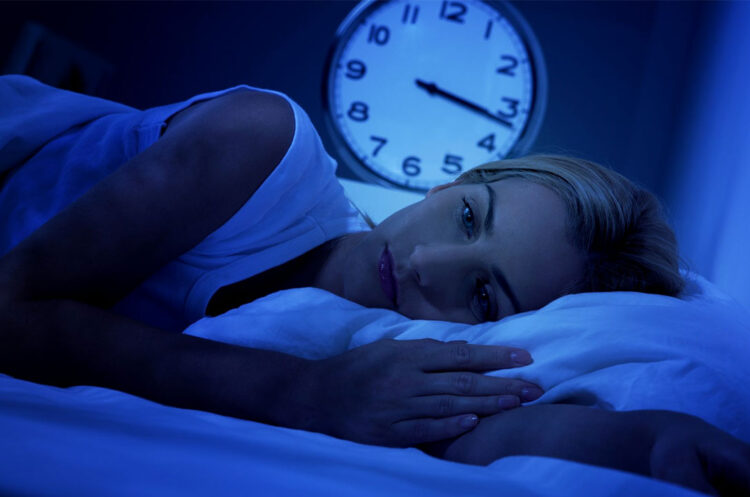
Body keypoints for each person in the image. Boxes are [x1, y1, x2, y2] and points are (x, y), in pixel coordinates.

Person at [0, 77, 748, 495]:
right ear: (451, 182)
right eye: (465, 216)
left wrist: (652, 442)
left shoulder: (386, 344)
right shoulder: (261, 142)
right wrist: (302, 395)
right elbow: (10, 307)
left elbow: (482, 432)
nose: (428, 266)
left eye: (484, 295)